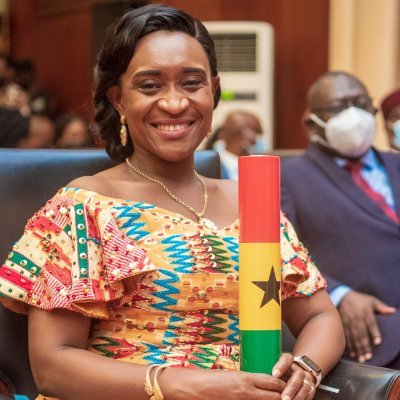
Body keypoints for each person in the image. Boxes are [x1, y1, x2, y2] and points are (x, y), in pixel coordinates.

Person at [0, 5, 344, 400]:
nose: (175, 103)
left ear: (213, 91)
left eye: (192, 83)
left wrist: (305, 369)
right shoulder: (86, 207)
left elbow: (320, 315)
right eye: (150, 86)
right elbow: (52, 365)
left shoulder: (251, 201)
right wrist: (182, 384)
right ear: (118, 99)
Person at [281, 71, 400, 369]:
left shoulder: (396, 163)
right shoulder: (287, 177)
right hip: (373, 336)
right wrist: (338, 294)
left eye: (360, 103)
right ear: (312, 124)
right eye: (338, 107)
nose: (353, 115)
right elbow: (278, 254)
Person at [206, 110, 265, 179]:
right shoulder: (209, 169)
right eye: (258, 132)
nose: (260, 137)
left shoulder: (259, 167)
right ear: (245, 135)